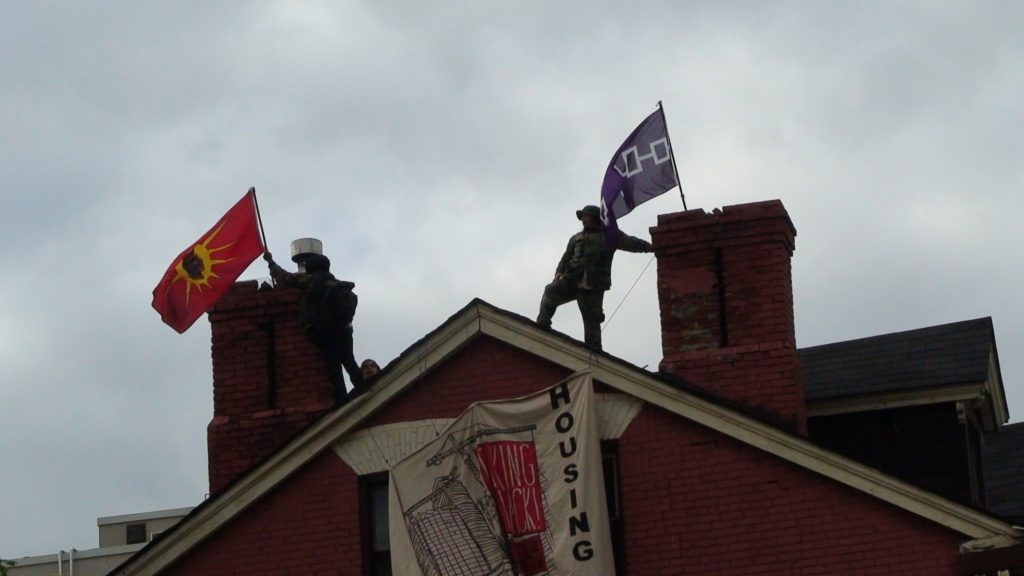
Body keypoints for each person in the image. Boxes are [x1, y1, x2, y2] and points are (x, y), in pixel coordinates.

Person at [537, 205, 653, 351]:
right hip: (571, 279)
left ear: (596, 219)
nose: (584, 220)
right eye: (583, 217)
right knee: (550, 291)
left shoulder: (610, 236)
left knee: (592, 318)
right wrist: (559, 272)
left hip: (594, 284)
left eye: (587, 216)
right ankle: (542, 323)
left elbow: (632, 243)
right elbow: (566, 258)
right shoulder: (575, 238)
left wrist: (650, 247)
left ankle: (594, 350)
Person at [264, 251, 364, 404]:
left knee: (333, 364)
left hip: (323, 330)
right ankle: (364, 388)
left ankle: (342, 401)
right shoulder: (338, 284)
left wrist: (271, 262)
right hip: (344, 329)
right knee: (349, 361)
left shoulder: (311, 281)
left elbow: (286, 278)